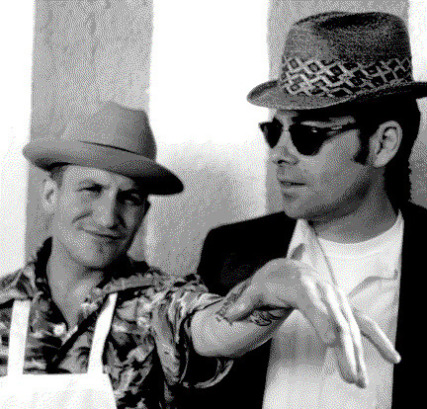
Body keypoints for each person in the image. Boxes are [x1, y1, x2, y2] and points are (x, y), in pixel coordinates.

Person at [0, 101, 398, 409]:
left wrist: (273, 288)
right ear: (51, 195)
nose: (108, 217)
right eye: (91, 189)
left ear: (144, 212)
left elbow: (213, 329)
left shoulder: (159, 302)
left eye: (130, 198)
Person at [195, 11, 427, 409]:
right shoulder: (231, 252)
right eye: (274, 131)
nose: (278, 155)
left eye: (308, 134)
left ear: (382, 144)